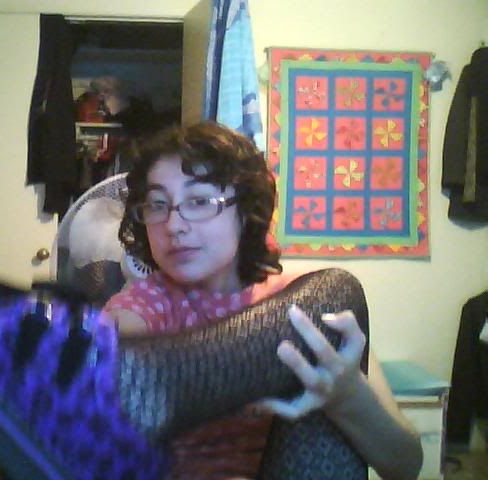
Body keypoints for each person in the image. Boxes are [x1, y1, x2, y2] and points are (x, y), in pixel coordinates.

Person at [103, 121, 423, 480]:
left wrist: (345, 395)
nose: (173, 225)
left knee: (336, 291)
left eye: (199, 201)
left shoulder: (305, 304)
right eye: (157, 205)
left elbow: (405, 466)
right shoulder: (145, 306)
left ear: (245, 210)